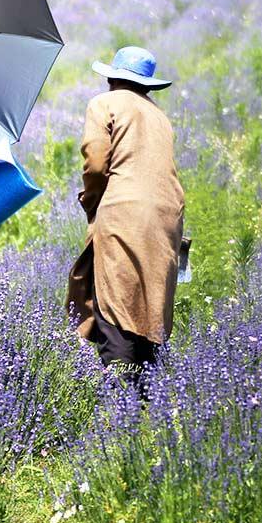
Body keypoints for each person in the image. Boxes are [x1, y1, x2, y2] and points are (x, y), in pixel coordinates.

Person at [67, 46, 185, 383]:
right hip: (167, 217)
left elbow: (95, 162)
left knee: (116, 300)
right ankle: (147, 402)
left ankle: (121, 402)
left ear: (110, 77)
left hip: (123, 212)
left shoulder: (103, 104)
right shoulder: (160, 116)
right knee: (150, 304)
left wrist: (91, 201)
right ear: (148, 85)